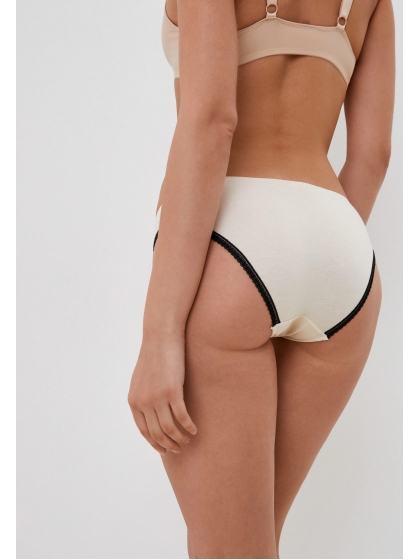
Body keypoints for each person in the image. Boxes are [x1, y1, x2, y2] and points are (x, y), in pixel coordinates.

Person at [128, 0, 395, 557]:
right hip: (342, 251)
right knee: (250, 543)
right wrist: (315, 255)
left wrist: (159, 333)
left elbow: (212, 119)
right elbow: (372, 155)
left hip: (235, 244)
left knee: (230, 549)